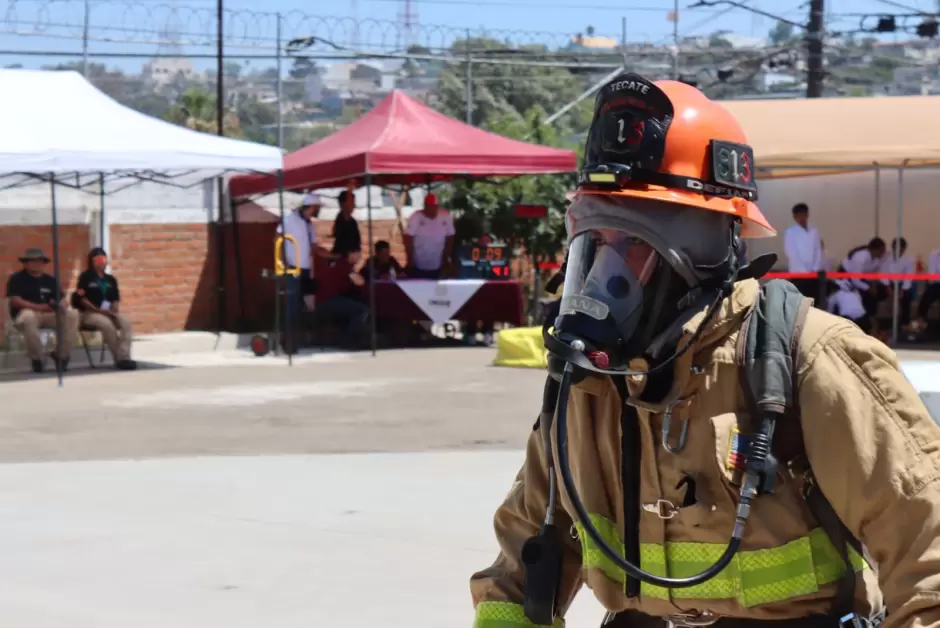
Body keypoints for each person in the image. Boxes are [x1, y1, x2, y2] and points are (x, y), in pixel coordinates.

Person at [470, 74, 939, 628]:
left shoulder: (809, 359)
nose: (604, 273)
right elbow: (522, 561)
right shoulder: (588, 385)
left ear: (701, 248)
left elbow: (927, 558)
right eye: (594, 244)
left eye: (631, 241)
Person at [5, 248, 79, 373]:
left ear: (44, 263)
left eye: (39, 261)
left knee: (72, 315)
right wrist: (39, 307)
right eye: (32, 261)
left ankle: (61, 355)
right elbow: (15, 301)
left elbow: (60, 299)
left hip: (49, 314)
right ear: (26, 263)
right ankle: (37, 358)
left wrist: (61, 305)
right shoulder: (17, 278)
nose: (36, 263)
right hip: (26, 313)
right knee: (28, 317)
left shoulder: (51, 280)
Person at [276, 193, 330, 353]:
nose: (318, 211)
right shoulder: (289, 220)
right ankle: (288, 343)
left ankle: (297, 341)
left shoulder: (309, 224)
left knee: (301, 306)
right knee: (292, 306)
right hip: (292, 268)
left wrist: (331, 255)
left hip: (306, 269)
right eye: (317, 208)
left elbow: (314, 247)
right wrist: (282, 261)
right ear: (311, 207)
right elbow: (277, 238)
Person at [71, 247, 137, 370]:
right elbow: (82, 299)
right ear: (92, 261)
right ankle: (120, 359)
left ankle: (124, 356)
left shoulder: (111, 279)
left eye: (103, 259)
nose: (101, 262)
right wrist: (99, 310)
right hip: (90, 312)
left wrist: (114, 308)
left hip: (109, 311)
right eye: (97, 259)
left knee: (126, 322)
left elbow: (116, 299)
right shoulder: (86, 277)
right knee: (107, 324)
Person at [316, 255, 370, 350]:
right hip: (328, 301)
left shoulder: (338, 263)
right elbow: (360, 282)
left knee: (353, 306)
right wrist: (357, 268)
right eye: (357, 253)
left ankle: (349, 338)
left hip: (328, 299)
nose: (359, 257)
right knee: (362, 310)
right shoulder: (344, 265)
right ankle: (348, 341)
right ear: (351, 253)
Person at [404, 193, 455, 279]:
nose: (432, 210)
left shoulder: (446, 216)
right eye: (430, 207)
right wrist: (410, 258)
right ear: (425, 206)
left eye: (435, 207)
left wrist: (446, 256)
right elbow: (408, 238)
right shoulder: (416, 217)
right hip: (419, 263)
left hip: (438, 263)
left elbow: (450, 237)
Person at [840, 237, 888, 329]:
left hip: (864, 279)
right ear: (875, 249)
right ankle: (863, 322)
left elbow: (874, 273)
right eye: (881, 251)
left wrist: (874, 285)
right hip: (847, 278)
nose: (883, 253)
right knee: (865, 295)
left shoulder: (877, 259)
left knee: (880, 292)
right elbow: (855, 280)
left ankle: (871, 319)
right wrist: (868, 288)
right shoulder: (860, 257)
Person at [783, 202, 823, 300]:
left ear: (807, 215)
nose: (801, 218)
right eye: (798, 216)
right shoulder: (790, 232)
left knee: (813, 300)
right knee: (799, 301)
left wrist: (815, 268)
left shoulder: (814, 231)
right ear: (794, 217)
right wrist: (804, 271)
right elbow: (791, 252)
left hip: (813, 273)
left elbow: (818, 250)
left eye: (803, 215)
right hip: (798, 273)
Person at [881, 237, 915, 329]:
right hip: (888, 283)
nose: (899, 252)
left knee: (907, 298)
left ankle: (904, 323)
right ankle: (882, 325)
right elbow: (883, 274)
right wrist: (888, 288)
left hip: (902, 284)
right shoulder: (886, 258)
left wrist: (902, 290)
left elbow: (908, 277)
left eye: (901, 250)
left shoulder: (909, 260)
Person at [913, 247, 940, 336]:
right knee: (927, 296)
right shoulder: (934, 255)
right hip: (935, 284)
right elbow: (932, 276)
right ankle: (920, 321)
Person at [332, 189, 362, 261]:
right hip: (341, 259)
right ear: (343, 204)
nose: (354, 205)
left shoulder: (353, 222)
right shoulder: (340, 220)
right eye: (351, 202)